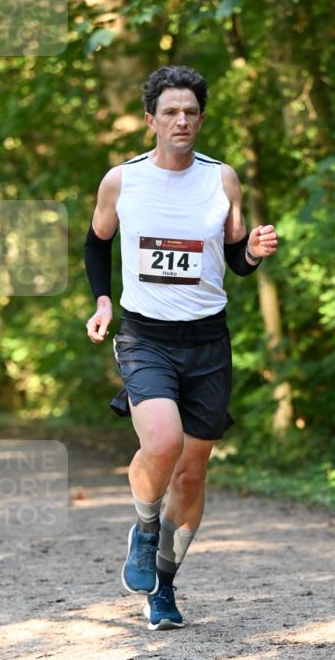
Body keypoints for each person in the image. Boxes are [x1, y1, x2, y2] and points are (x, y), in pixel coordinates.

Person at [84, 65, 278, 630]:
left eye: (191, 112)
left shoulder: (223, 180)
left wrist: (257, 252)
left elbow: (237, 261)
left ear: (201, 119)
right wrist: (102, 301)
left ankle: (163, 589)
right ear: (150, 120)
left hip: (208, 338)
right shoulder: (122, 180)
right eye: (170, 111)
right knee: (163, 442)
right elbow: (96, 244)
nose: (181, 120)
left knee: (192, 474)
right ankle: (145, 528)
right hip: (146, 335)